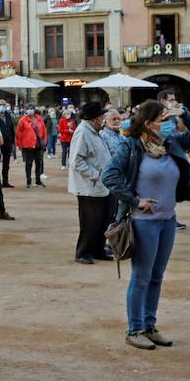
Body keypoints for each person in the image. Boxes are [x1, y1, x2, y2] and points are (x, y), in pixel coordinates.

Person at [103, 100, 190, 349]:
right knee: (141, 277)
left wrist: (185, 113)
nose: (169, 123)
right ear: (148, 124)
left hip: (167, 220)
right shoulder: (130, 146)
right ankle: (134, 329)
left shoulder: (170, 143)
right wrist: (135, 201)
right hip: (143, 222)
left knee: (157, 276)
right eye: (163, 119)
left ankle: (149, 325)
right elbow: (109, 175)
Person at [69, 102, 113, 265]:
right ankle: (83, 252)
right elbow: (76, 161)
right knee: (90, 223)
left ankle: (98, 250)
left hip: (102, 186)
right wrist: (96, 175)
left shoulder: (94, 132)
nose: (103, 119)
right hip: (89, 186)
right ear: (95, 119)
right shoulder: (83, 132)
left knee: (104, 220)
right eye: (101, 117)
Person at [16, 105, 48, 187]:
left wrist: (45, 141)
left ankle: (38, 180)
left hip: (38, 144)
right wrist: (19, 144)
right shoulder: (23, 120)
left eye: (32, 109)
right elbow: (18, 133)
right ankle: (28, 181)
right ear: (26, 110)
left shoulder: (39, 118)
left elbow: (44, 130)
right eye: (28, 109)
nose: (30, 110)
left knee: (39, 163)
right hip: (27, 145)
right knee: (28, 163)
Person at [0, 101, 16, 187]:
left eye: (3, 105)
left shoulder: (8, 115)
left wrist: (13, 142)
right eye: (0, 105)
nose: (2, 106)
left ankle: (5, 182)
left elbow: (11, 129)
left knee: (6, 164)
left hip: (8, 142)